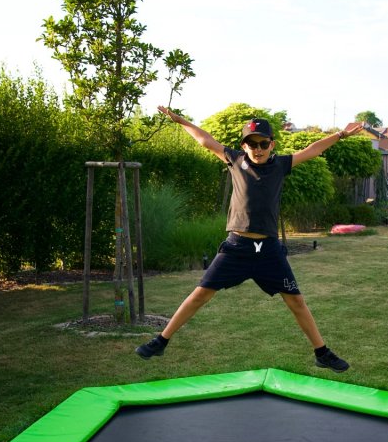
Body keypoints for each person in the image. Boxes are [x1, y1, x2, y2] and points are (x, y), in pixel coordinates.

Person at [135, 107, 364, 372]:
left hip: (268, 250)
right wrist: (180, 120)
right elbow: (205, 140)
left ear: (271, 144)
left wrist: (341, 135)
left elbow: (313, 150)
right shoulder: (235, 160)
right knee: (200, 294)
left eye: (263, 143)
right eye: (252, 144)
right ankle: (161, 341)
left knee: (296, 301)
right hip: (237, 248)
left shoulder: (280, 165)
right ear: (244, 146)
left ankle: (322, 353)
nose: (258, 149)